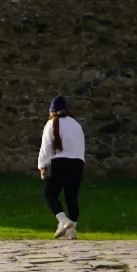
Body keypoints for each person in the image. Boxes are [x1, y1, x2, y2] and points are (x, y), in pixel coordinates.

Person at [37, 95, 86, 239]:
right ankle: (71, 231)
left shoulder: (51, 124)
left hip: (59, 162)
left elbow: (46, 146)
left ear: (52, 111)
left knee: (50, 194)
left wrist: (42, 165)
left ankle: (63, 221)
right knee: (71, 197)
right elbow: (81, 146)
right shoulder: (76, 125)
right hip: (77, 162)